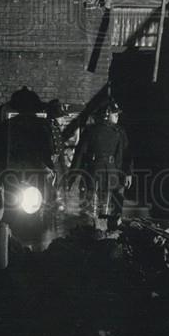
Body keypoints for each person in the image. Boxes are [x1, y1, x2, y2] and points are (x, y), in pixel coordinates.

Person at [69, 101, 132, 238]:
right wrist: (127, 173)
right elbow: (81, 154)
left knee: (100, 207)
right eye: (115, 114)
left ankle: (100, 234)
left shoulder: (108, 131)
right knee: (100, 207)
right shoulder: (110, 132)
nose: (117, 117)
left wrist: (72, 177)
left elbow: (80, 155)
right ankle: (100, 234)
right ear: (106, 115)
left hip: (100, 174)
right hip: (104, 175)